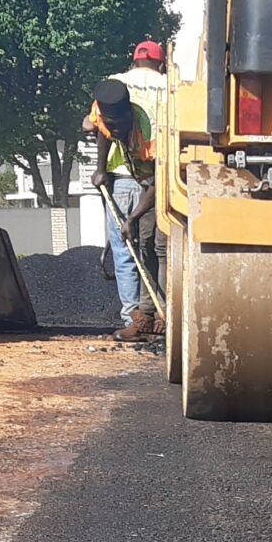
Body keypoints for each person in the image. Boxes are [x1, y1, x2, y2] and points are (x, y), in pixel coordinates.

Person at [83, 41, 167, 341]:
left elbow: (158, 180)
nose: (114, 130)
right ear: (161, 64)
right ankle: (141, 316)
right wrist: (99, 169)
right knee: (143, 246)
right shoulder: (116, 96)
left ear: (133, 63)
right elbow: (101, 129)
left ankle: (158, 315)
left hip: (154, 180)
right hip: (131, 177)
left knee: (153, 246)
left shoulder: (149, 133)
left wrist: (132, 216)